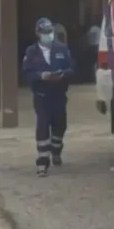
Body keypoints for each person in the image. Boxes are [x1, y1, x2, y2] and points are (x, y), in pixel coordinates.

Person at [22, 18, 74, 177]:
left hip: (58, 95)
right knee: (43, 126)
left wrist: (63, 74)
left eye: (50, 32)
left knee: (60, 125)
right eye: (45, 32)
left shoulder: (62, 49)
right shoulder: (32, 52)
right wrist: (41, 76)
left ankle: (56, 150)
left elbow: (72, 69)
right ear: (38, 33)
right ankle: (42, 162)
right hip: (42, 96)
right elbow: (26, 73)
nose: (48, 35)